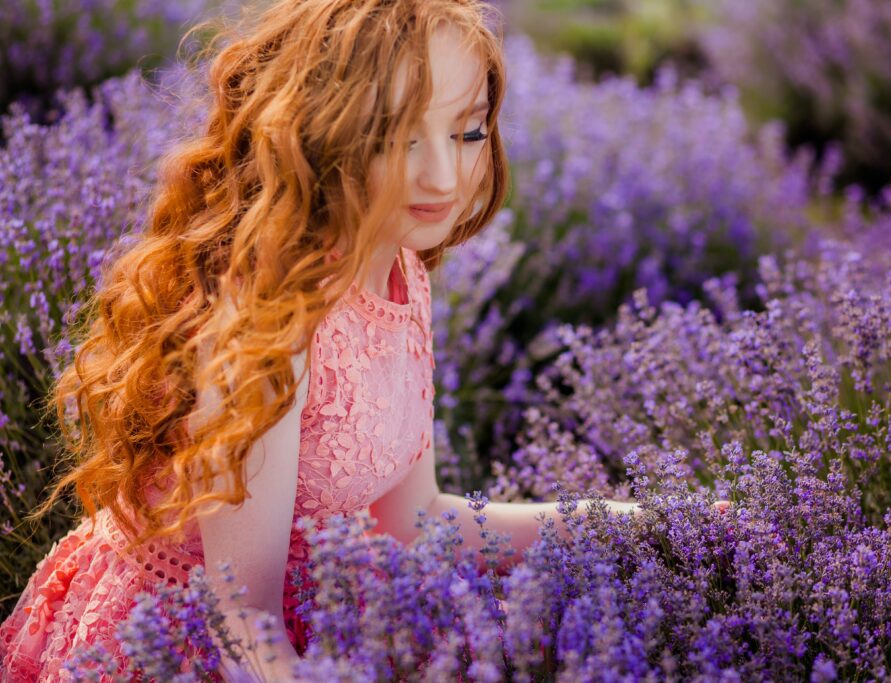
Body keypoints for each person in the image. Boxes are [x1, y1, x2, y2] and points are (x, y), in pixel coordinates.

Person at [0, 1, 730, 680]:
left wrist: (637, 522)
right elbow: (235, 619)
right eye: (397, 135)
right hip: (182, 648)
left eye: (466, 130)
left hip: (311, 629)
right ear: (325, 130)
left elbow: (414, 519)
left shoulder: (400, 269)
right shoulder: (271, 318)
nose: (444, 175)